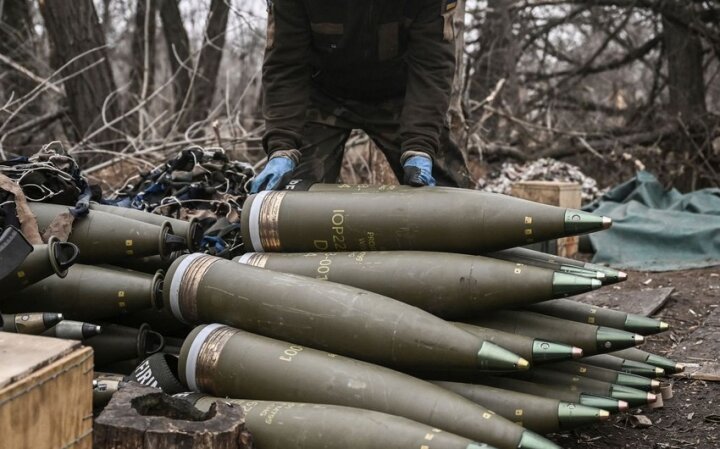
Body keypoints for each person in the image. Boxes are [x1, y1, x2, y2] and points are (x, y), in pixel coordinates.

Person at [250, 0, 472, 193]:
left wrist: (420, 146)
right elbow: (286, 65)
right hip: (322, 96)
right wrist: (282, 147)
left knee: (451, 195)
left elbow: (432, 67)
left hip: (400, 97)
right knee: (291, 204)